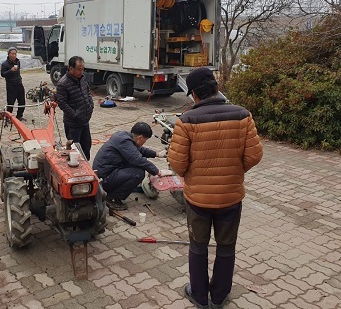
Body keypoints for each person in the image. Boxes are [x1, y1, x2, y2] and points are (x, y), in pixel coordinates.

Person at [167, 67, 263, 308]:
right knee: (226, 247)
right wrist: (234, 172)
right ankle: (219, 297)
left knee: (198, 247)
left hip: (198, 200)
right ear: (216, 88)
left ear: (193, 95)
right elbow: (254, 155)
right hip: (231, 198)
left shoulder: (186, 120)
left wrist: (195, 176)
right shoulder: (243, 115)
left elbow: (177, 162)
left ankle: (199, 297)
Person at [92, 122, 169, 211]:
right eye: (145, 140)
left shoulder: (125, 137)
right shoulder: (124, 141)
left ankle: (118, 189)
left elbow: (139, 150)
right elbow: (138, 159)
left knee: (137, 165)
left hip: (107, 171)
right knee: (138, 173)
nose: (144, 143)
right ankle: (112, 198)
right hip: (104, 178)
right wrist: (158, 172)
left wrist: (157, 154)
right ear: (140, 137)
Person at [56, 56, 94, 160]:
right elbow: (62, 103)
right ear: (71, 68)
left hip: (85, 121)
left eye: (83, 69)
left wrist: (91, 106)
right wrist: (75, 114)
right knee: (74, 149)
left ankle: (86, 167)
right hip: (73, 124)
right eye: (79, 69)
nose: (81, 71)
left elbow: (88, 93)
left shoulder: (82, 78)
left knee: (86, 146)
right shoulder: (63, 83)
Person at [1, 47, 26, 121]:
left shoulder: (18, 62)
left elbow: (18, 72)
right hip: (10, 85)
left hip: (19, 83)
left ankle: (19, 116)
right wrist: (10, 71)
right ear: (9, 54)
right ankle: (8, 117)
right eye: (12, 54)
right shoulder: (5, 64)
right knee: (11, 103)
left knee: (22, 102)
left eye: (15, 54)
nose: (14, 55)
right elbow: (3, 74)